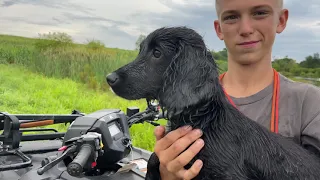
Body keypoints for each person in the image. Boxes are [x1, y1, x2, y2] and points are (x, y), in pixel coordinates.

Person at [152, 0, 320, 179]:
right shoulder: (191, 102)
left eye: (260, 13)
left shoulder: (310, 103)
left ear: (281, 20)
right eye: (232, 17)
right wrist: (165, 173)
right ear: (219, 29)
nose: (246, 29)